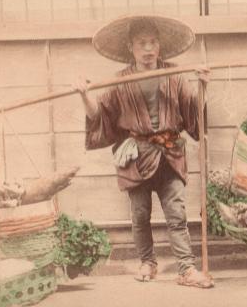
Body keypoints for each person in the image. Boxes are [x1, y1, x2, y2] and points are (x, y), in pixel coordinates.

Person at [74, 15, 213, 288]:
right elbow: (99, 115)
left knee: (176, 213)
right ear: (131, 47)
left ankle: (186, 269)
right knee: (139, 215)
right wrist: (83, 95)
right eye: (141, 43)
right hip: (136, 155)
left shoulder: (173, 75)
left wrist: (203, 85)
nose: (148, 49)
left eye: (152, 43)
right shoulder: (120, 81)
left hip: (170, 152)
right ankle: (147, 262)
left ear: (159, 46)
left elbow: (193, 110)